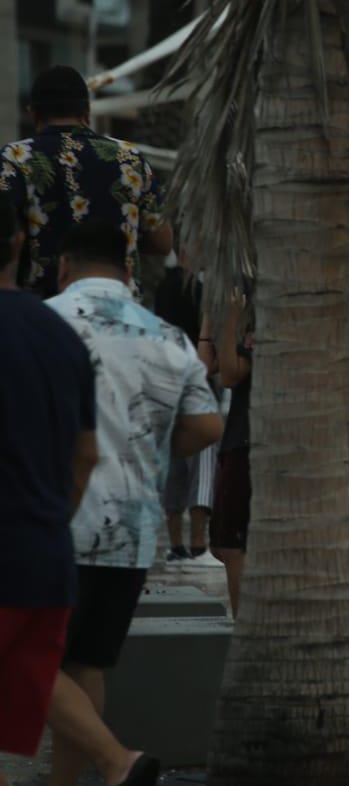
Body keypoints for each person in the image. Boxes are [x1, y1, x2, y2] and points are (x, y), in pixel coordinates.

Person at [44, 221, 222, 786]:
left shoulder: (42, 321)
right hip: (131, 527)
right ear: (129, 272)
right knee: (85, 663)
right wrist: (157, 451)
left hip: (54, 519)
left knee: (23, 658)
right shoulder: (168, 336)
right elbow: (208, 425)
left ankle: (115, 761)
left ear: (64, 267)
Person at [0, 202, 160, 786]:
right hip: (48, 549)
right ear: (18, 243)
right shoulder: (58, 333)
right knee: (37, 672)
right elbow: (85, 454)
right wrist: (50, 520)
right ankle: (120, 764)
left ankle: (118, 764)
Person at [0, 65, 172, 298]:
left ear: (34, 113)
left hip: (46, 313)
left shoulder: (15, 159)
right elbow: (163, 241)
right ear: (87, 112)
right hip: (119, 309)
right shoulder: (128, 157)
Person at [154, 246, 223, 569]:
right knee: (203, 466)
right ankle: (198, 545)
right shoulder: (200, 290)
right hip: (198, 387)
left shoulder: (162, 288)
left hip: (166, 386)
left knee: (175, 468)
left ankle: (176, 546)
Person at [200, 288, 252, 615]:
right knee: (223, 544)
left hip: (250, 442)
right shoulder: (240, 319)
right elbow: (203, 366)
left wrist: (230, 316)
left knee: (232, 546)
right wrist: (210, 318)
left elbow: (230, 374)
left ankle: (246, 627)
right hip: (237, 440)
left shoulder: (262, 316)